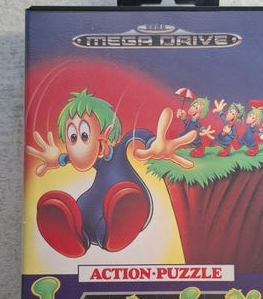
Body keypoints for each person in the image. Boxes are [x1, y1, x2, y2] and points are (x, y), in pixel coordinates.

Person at [26, 89, 197, 257]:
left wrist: (155, 144)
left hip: (132, 204)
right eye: (72, 138)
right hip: (99, 210)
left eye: (84, 135)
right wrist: (58, 159)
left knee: (121, 199)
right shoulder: (96, 161)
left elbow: (138, 135)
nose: (78, 146)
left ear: (106, 131)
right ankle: (78, 236)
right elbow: (76, 159)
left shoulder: (120, 150)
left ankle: (114, 230)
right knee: (84, 207)